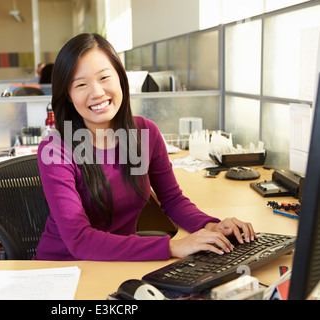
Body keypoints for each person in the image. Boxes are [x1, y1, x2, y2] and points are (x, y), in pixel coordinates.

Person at [35, 33, 256, 261]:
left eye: (104, 78)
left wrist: (212, 226)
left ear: (120, 78)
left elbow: (172, 200)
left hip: (117, 264)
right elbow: (80, 240)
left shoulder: (143, 134)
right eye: (81, 84)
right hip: (63, 269)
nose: (97, 92)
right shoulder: (56, 150)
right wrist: (172, 247)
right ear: (69, 96)